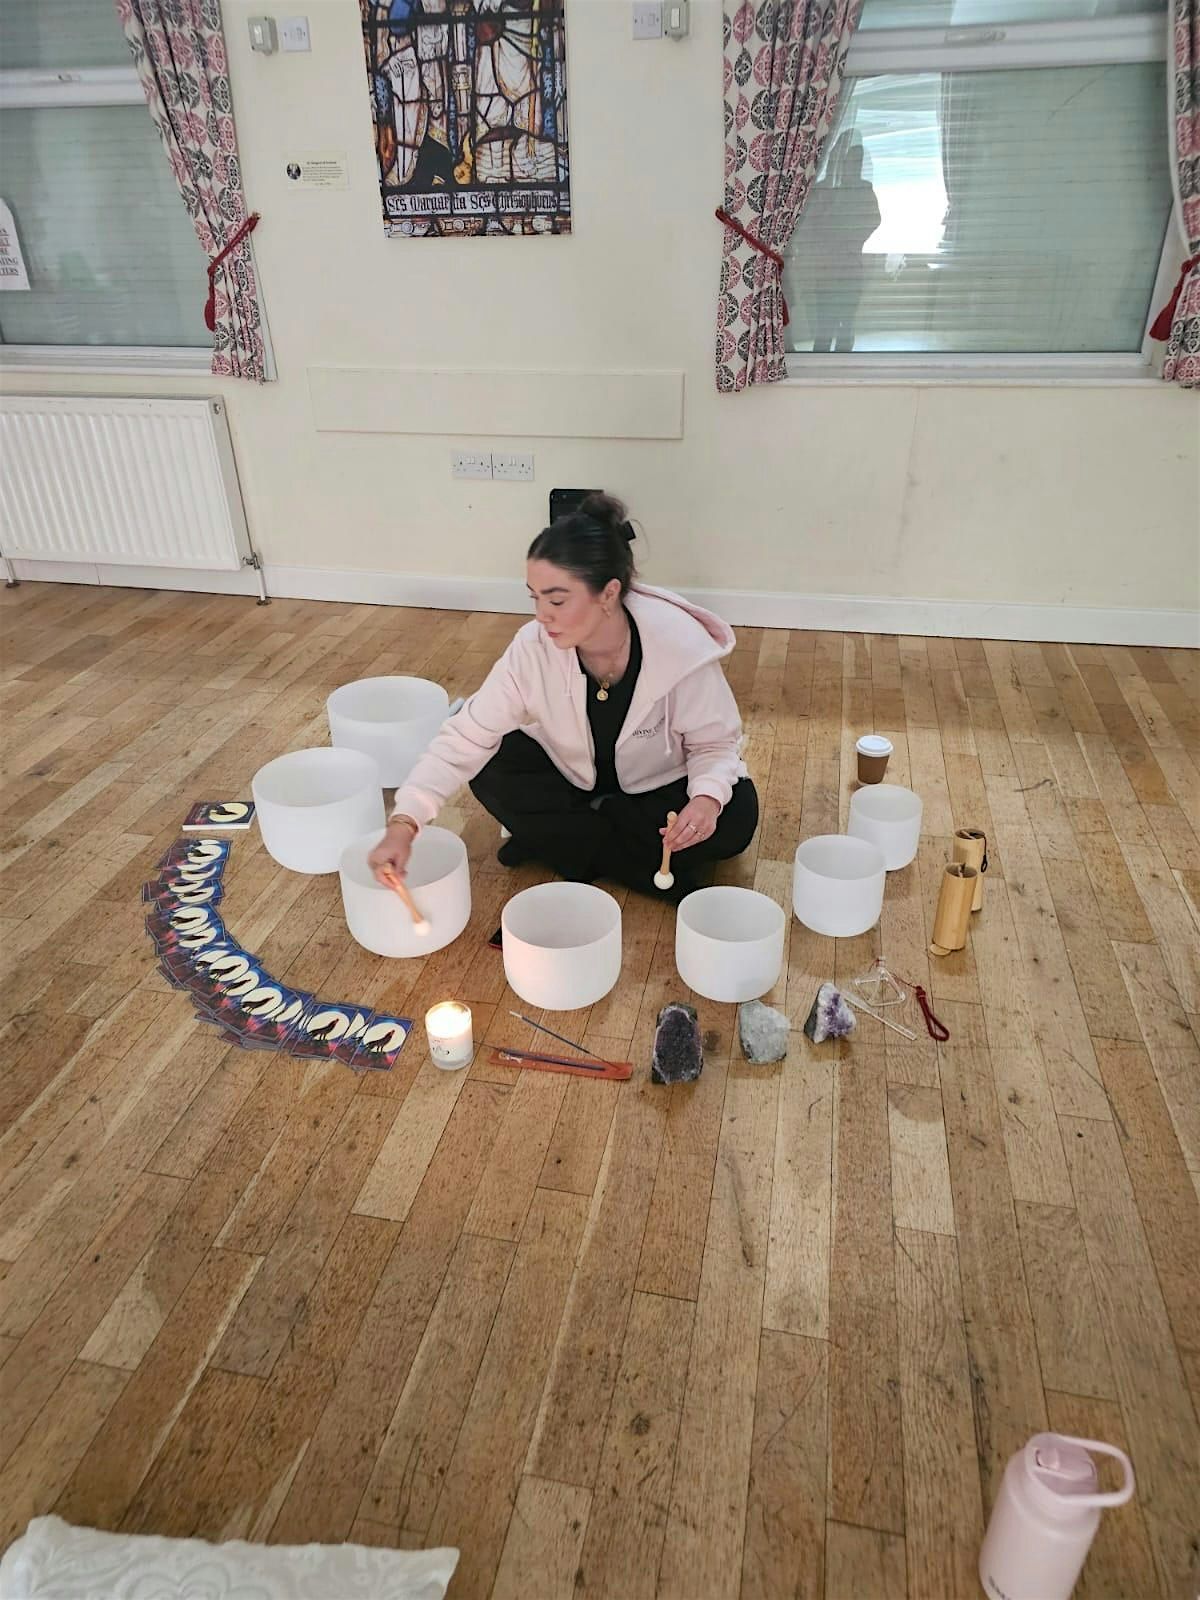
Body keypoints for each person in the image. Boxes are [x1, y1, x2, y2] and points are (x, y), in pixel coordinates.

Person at [368, 493, 759, 902]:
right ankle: (636, 866)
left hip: (655, 788)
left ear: (608, 593)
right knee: (491, 763)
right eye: (534, 598)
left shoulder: (679, 646)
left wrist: (705, 801)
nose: (542, 615)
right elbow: (465, 737)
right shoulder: (533, 648)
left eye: (556, 600)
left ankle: (566, 845)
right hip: (572, 778)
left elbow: (714, 745)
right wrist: (404, 824)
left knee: (735, 816)